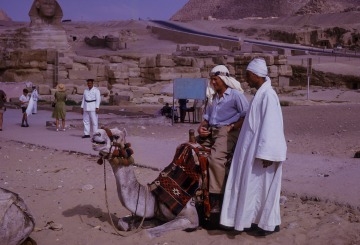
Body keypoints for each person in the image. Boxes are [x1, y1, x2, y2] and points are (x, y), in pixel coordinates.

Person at [220, 58, 287, 236]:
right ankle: (251, 221)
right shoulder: (260, 95)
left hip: (262, 155)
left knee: (262, 189)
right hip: (251, 151)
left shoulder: (268, 96)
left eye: (248, 76)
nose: (246, 79)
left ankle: (267, 224)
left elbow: (271, 126)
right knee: (252, 189)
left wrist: (267, 154)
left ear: (256, 75)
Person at [197, 64, 249, 214]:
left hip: (228, 131)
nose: (213, 83)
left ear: (224, 79)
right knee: (189, 150)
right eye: (212, 80)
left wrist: (232, 127)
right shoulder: (212, 97)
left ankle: (216, 198)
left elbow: (246, 116)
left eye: (215, 79)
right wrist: (201, 128)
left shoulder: (236, 96)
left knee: (215, 159)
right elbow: (206, 118)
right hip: (211, 131)